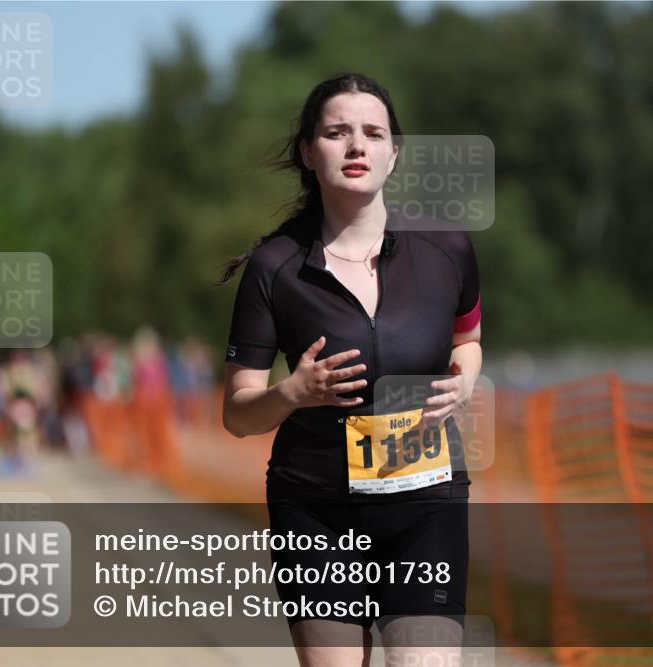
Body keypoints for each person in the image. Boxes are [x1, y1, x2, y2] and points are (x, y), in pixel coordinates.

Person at [221, 73, 482, 666]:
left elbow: (468, 339)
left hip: (425, 500)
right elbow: (238, 414)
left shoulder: (446, 247)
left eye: (373, 133)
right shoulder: (275, 267)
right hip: (316, 509)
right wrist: (291, 392)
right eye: (337, 133)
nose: (357, 146)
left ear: (394, 153)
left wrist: (464, 380)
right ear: (310, 154)